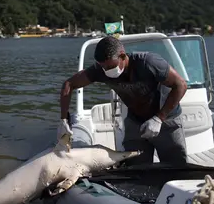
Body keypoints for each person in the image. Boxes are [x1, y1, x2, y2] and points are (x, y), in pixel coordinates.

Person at [58, 36, 188, 165]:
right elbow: (69, 84)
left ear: (122, 56)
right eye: (103, 67)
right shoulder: (100, 71)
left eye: (110, 66)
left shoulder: (148, 62)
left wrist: (159, 118)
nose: (106, 71)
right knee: (135, 167)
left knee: (175, 166)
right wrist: (64, 120)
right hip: (136, 121)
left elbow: (181, 85)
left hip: (166, 119)